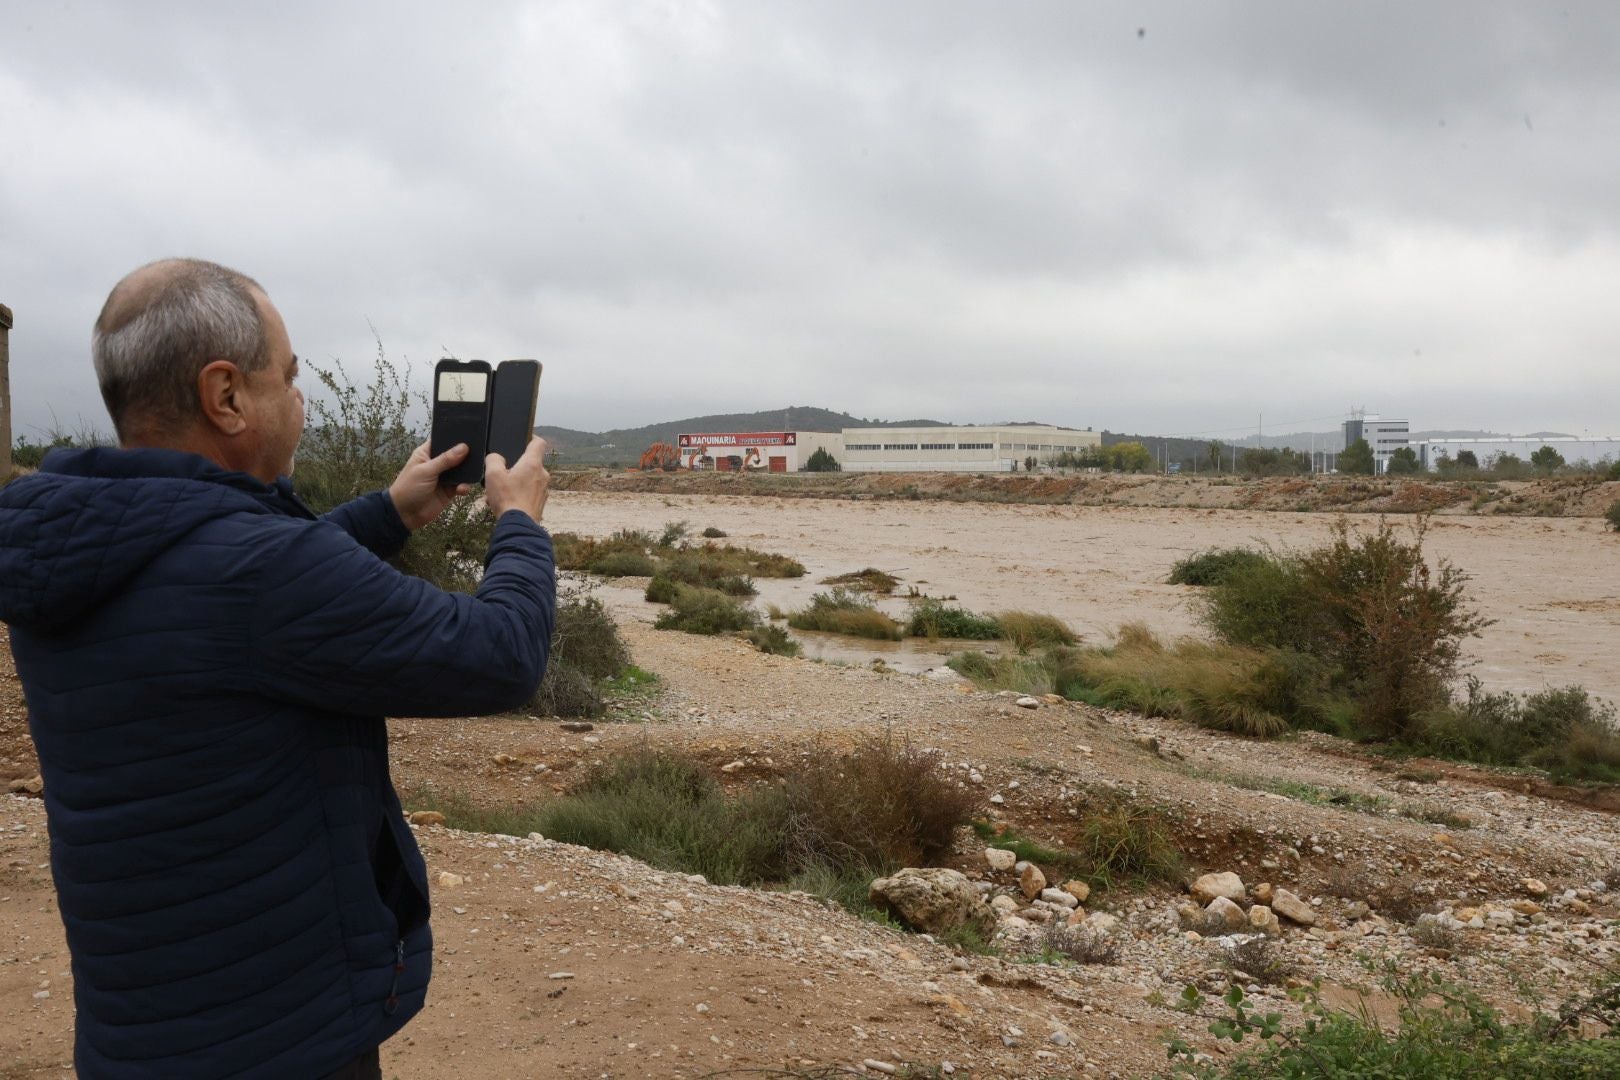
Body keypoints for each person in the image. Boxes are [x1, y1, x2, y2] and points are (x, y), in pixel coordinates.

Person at [0, 259, 556, 1078]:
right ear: (224, 396)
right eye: (287, 378)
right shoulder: (262, 574)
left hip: (139, 1029)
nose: (300, 397)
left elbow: (222, 587)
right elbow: (500, 654)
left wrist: (386, 512)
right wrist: (520, 527)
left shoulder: (78, 546)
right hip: (279, 1037)